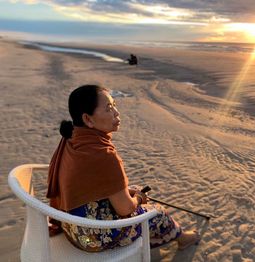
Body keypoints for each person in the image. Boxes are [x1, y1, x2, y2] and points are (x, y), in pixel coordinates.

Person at [46, 84, 200, 252]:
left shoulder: (71, 138)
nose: (116, 112)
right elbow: (125, 209)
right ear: (88, 119)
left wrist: (130, 192)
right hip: (90, 239)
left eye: (114, 105)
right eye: (108, 108)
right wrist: (139, 198)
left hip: (71, 228)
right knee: (157, 213)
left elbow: (92, 181)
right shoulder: (104, 155)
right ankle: (182, 238)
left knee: (130, 190)